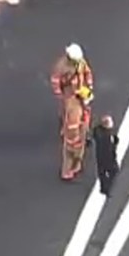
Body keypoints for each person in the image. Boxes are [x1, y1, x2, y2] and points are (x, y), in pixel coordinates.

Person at [50, 44, 93, 181]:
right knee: (71, 121)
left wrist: (88, 88)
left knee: (82, 118)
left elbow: (87, 73)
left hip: (81, 94)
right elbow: (55, 81)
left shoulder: (81, 63)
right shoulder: (62, 67)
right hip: (70, 96)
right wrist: (60, 95)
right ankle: (68, 168)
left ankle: (76, 163)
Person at [90, 115, 120, 196]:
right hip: (108, 157)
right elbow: (111, 147)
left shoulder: (97, 130)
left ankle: (103, 187)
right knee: (114, 171)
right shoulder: (108, 136)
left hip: (99, 155)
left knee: (101, 172)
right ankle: (106, 188)